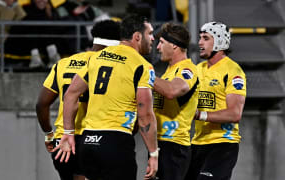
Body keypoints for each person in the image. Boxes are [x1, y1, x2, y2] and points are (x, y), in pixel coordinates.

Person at [53, 14, 158, 180]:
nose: (153, 38)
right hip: (116, 142)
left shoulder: (96, 57)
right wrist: (153, 153)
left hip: (88, 143)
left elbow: (71, 94)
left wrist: (68, 132)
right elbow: (145, 115)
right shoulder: (143, 65)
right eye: (150, 33)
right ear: (137, 36)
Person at [36, 19, 121, 180]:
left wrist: (49, 134)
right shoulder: (112, 66)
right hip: (94, 138)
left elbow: (42, 104)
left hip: (62, 141)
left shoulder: (64, 63)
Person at [185, 22, 246, 180]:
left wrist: (200, 115)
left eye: (205, 38)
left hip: (223, 144)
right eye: (199, 38)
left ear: (220, 41)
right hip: (197, 143)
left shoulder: (233, 70)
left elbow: (235, 113)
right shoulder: (198, 69)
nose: (199, 43)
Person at [153, 22, 199, 180]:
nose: (158, 47)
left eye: (161, 42)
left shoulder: (188, 69)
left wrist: (145, 74)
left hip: (174, 146)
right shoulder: (169, 71)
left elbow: (172, 91)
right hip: (160, 144)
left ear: (173, 45)